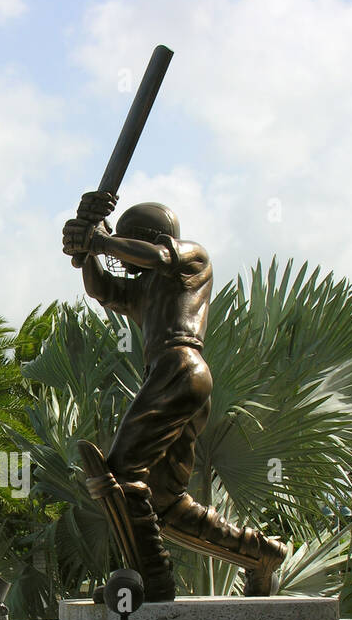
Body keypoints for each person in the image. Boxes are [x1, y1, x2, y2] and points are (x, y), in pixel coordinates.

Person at [63, 191, 286, 598]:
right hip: (171, 376)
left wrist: (98, 241)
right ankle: (260, 554)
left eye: (131, 243)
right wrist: (85, 254)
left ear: (152, 238)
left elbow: (158, 257)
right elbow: (103, 290)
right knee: (164, 500)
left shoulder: (191, 260)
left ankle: (152, 578)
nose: (124, 257)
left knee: (121, 473)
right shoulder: (145, 287)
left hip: (180, 366)